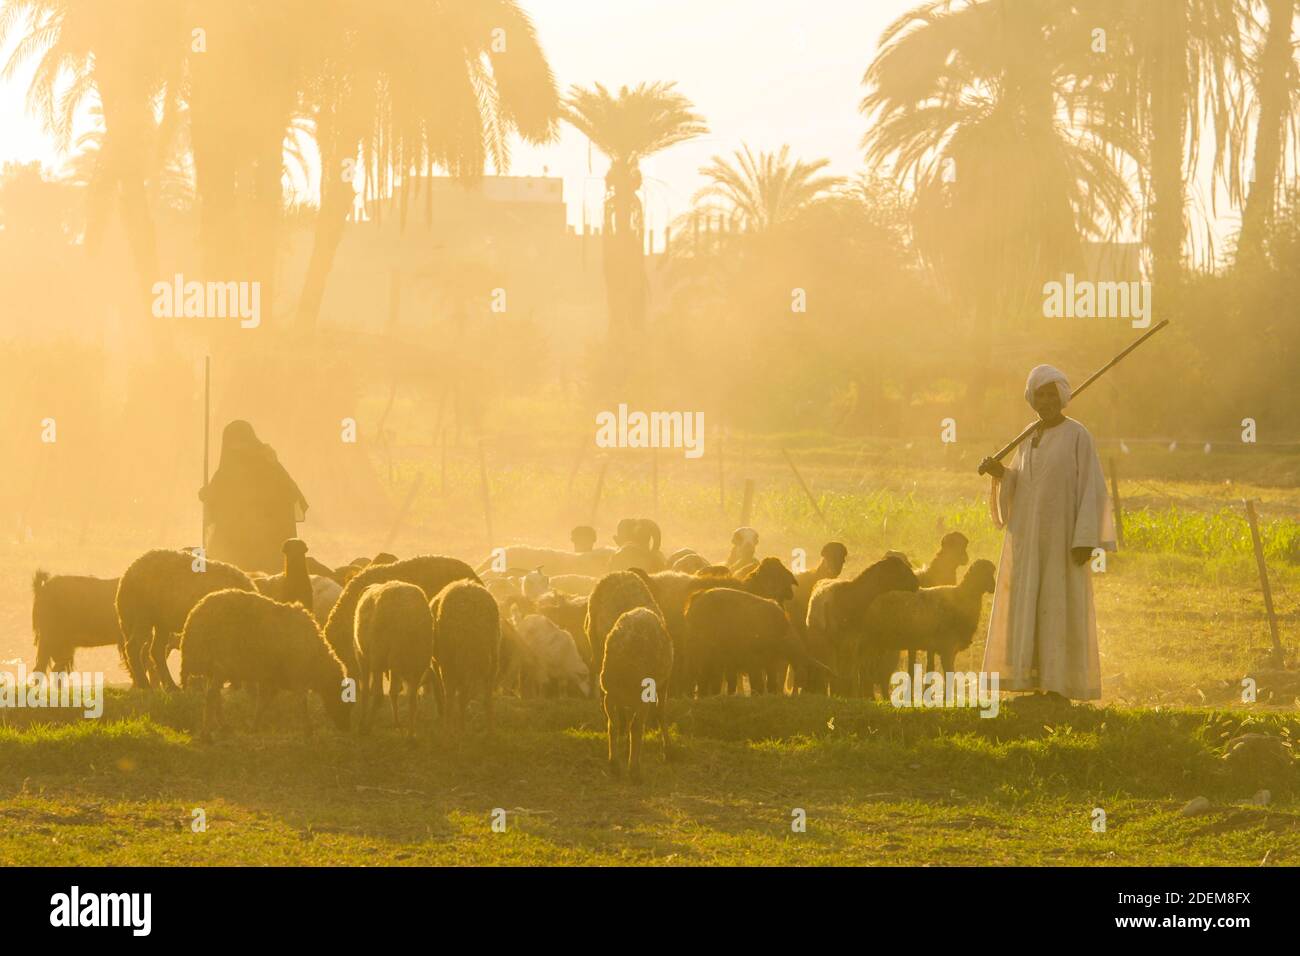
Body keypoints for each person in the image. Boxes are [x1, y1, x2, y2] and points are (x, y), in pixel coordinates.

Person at [978, 365, 1115, 701]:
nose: (1047, 400)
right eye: (1040, 394)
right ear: (1032, 399)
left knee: (1058, 605)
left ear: (1063, 396)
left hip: (1063, 543)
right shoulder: (1028, 436)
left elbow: (1092, 489)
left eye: (1052, 394)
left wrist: (1085, 540)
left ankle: (1058, 686)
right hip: (1028, 542)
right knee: (1027, 606)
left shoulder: (1078, 435)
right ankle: (1031, 680)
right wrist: (1001, 474)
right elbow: (1023, 486)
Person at [199, 420, 308, 573]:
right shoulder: (228, 468)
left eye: (241, 441)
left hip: (264, 543)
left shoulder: (266, 462)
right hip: (236, 543)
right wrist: (208, 494)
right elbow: (221, 494)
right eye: (234, 443)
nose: (238, 447)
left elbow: (285, 493)